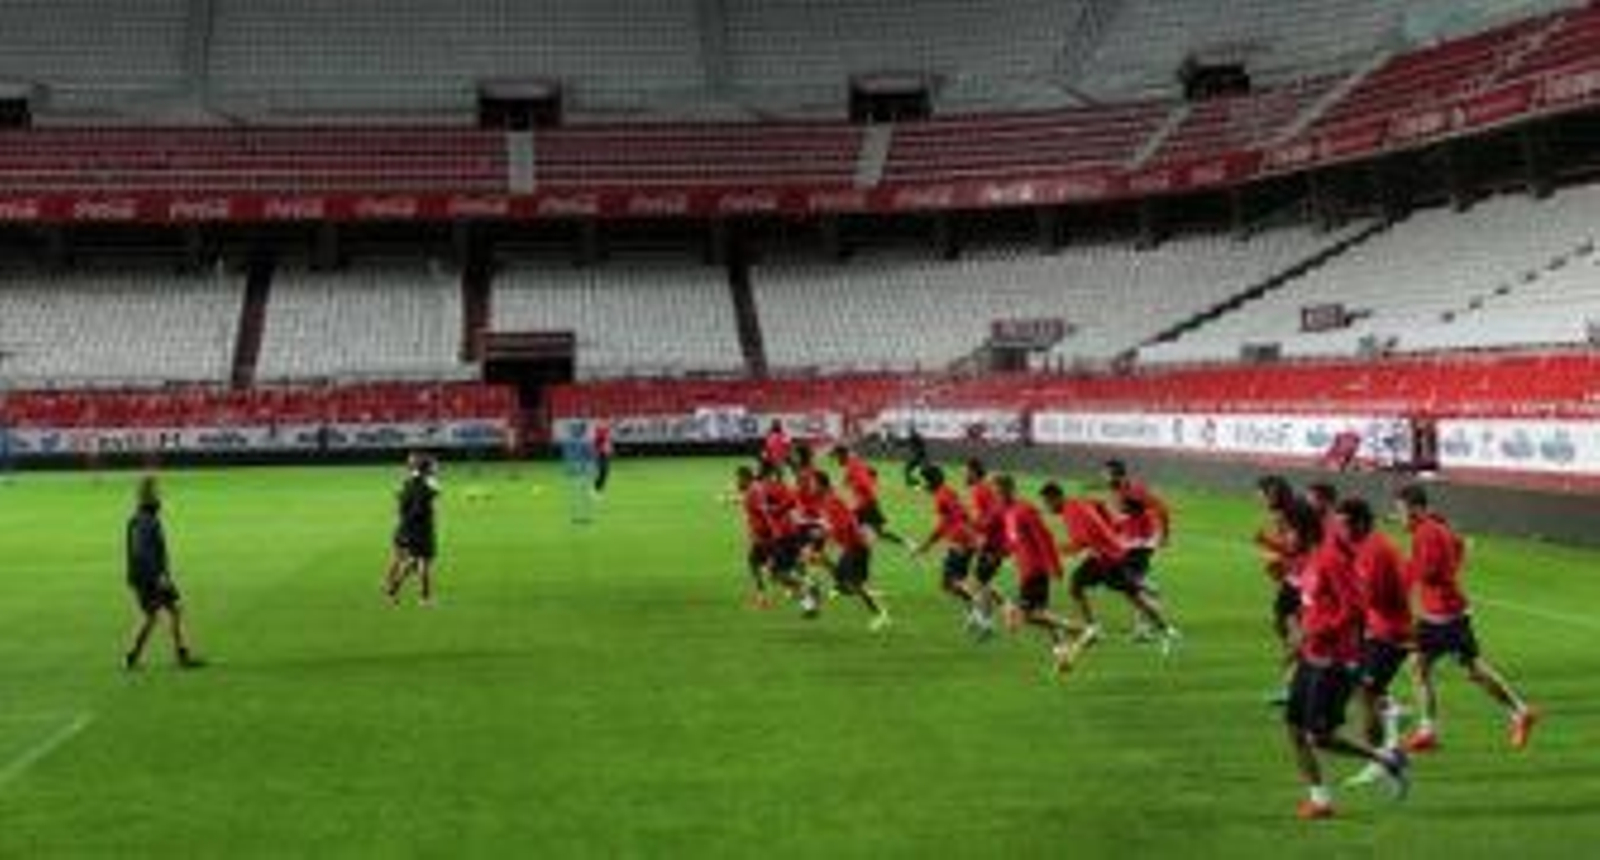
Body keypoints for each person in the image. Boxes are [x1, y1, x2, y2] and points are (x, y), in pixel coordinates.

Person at [1281, 500, 1410, 820]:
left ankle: (1385, 758)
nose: (1284, 537)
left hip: (1335, 661)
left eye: (1287, 530)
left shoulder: (1330, 560)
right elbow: (1314, 605)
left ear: (1304, 530)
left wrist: (1315, 633)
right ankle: (1320, 800)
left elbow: (1354, 609)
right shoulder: (1311, 560)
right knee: (1295, 729)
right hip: (1312, 656)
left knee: (1319, 736)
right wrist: (1301, 636)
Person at [1396, 485, 1539, 753]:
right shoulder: (1435, 529)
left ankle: (1518, 711)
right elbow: (1460, 548)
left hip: (1442, 616)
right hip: (1445, 613)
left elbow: (1431, 573)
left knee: (1432, 667)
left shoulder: (1427, 533)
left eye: (1401, 510)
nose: (1399, 516)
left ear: (1415, 508)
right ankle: (1430, 730)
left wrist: (1408, 568)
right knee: (1433, 667)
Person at [1041, 483, 1180, 656]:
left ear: (1056, 498)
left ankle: (1166, 629)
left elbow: (1081, 542)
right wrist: (1108, 525)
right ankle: (1093, 628)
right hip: (1101, 556)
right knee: (1076, 586)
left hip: (1110, 558)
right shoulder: (1077, 503)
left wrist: (1057, 549)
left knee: (1132, 596)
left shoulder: (1073, 513)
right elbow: (1097, 504)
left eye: (1047, 503)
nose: (1046, 508)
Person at [1338, 497, 1415, 787]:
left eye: (1344, 524)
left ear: (1360, 523)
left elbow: (1372, 598)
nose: (1340, 530)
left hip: (1390, 634)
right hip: (1378, 629)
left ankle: (1380, 760)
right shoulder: (1367, 545)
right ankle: (1393, 716)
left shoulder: (1376, 551)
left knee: (1364, 692)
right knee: (1364, 688)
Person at [994, 475, 1085, 675]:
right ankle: (1064, 658)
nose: (998, 496)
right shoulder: (1007, 512)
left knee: (1020, 615)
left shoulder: (1025, 510)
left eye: (1001, 492)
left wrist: (1054, 566)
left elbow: (1044, 537)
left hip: (1035, 569)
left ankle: (1076, 630)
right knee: (1037, 615)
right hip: (1025, 568)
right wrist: (1004, 553)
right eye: (997, 493)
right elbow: (1014, 540)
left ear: (1010, 490)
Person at [124, 475, 204, 670]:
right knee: (159, 614)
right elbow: (141, 551)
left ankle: (137, 655)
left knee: (169, 611)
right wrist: (158, 575)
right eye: (157, 492)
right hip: (151, 577)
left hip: (146, 576)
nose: (161, 496)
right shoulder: (146, 521)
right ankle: (176, 656)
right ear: (149, 497)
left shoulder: (141, 518)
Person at [814, 471, 891, 631]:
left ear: (821, 485)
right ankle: (872, 600)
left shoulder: (831, 501)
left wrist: (826, 534)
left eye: (814, 483)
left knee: (852, 583)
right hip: (853, 545)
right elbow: (845, 520)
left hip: (856, 545)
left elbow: (844, 524)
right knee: (843, 580)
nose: (812, 487)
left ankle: (881, 613)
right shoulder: (830, 499)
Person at [911, 465, 982, 633]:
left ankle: (978, 606)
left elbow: (945, 524)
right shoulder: (947, 491)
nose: (923, 487)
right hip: (966, 540)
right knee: (957, 582)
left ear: (930, 482)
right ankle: (975, 616)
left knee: (948, 583)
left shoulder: (941, 497)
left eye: (923, 482)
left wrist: (926, 545)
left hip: (961, 542)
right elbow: (962, 515)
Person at [384, 453, 442, 606]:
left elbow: (400, 499)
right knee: (423, 563)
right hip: (421, 529)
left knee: (413, 562)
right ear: (427, 469)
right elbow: (423, 505)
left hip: (406, 527)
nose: (437, 468)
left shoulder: (408, 483)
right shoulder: (427, 486)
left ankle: (392, 590)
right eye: (434, 465)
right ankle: (424, 598)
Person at [831, 444, 907, 546]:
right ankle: (906, 543)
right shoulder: (852, 464)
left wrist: (864, 492)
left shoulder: (853, 465)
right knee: (875, 531)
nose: (836, 461)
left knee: (848, 523)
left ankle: (858, 544)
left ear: (842, 455)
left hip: (866, 504)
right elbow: (868, 473)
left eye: (837, 457)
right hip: (865, 503)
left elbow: (864, 482)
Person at [734, 466, 775, 608]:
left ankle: (808, 594)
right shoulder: (754, 490)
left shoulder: (753, 491)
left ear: (745, 478)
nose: (737, 481)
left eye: (738, 478)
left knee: (776, 571)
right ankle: (762, 598)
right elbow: (752, 503)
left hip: (764, 534)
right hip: (763, 533)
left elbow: (764, 510)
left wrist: (766, 532)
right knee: (758, 564)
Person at [591, 420, 614, 495]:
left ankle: (599, 488)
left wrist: (609, 449)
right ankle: (596, 489)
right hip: (601, 455)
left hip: (604, 455)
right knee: (603, 471)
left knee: (605, 472)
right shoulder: (600, 436)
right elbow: (597, 445)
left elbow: (607, 444)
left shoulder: (605, 436)